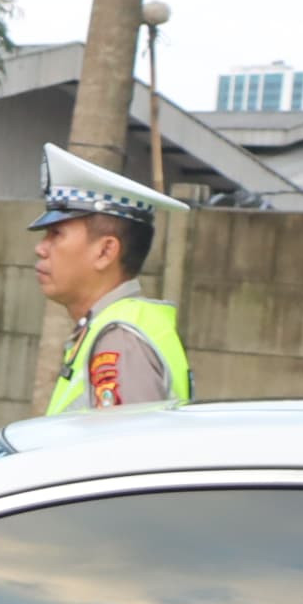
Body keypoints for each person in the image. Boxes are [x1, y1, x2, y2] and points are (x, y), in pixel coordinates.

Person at [32, 144, 191, 413]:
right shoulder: (112, 329)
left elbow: (125, 453)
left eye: (56, 234)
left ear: (105, 251)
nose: (41, 248)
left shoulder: (120, 343)